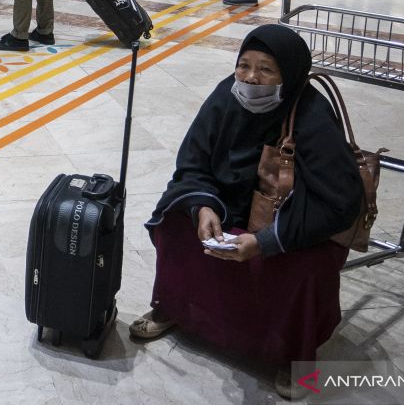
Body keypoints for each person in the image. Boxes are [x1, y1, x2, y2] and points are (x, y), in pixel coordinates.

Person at [134, 24, 362, 400]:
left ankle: (296, 359)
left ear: (289, 74)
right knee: (174, 220)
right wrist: (203, 204)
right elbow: (192, 161)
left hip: (292, 223)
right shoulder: (227, 95)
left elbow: (338, 203)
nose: (251, 78)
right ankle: (177, 307)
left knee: (303, 269)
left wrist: (265, 241)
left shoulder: (311, 114)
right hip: (228, 206)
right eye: (244, 66)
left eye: (266, 69)